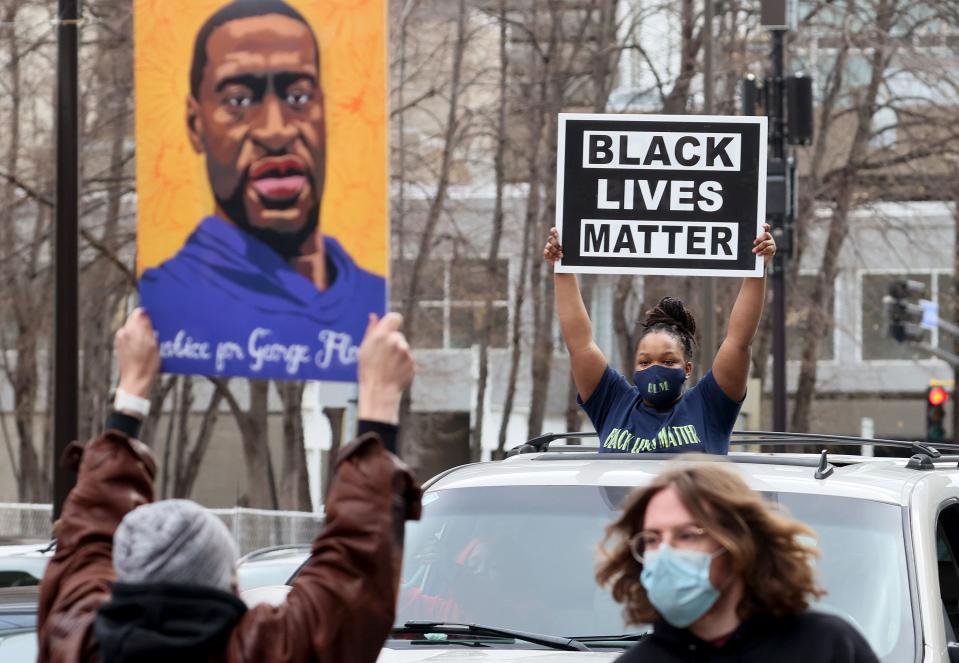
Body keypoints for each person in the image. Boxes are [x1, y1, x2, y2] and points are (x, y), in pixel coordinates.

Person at [37, 307, 420, 662]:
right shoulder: (261, 652)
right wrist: (379, 398)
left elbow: (86, 541)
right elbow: (350, 576)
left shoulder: (74, 642)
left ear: (123, 577)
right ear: (230, 585)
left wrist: (131, 392)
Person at [139, 0, 385, 381]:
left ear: (323, 110)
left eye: (299, 97)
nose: (276, 130)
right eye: (238, 100)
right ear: (195, 123)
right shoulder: (166, 302)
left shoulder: (372, 308)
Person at [595, 461, 879, 662]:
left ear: (738, 543)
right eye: (653, 539)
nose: (665, 553)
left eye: (688, 535)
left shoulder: (826, 646)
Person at [543, 223, 776, 454]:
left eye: (667, 361)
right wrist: (561, 266)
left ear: (687, 368)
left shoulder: (709, 405)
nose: (654, 369)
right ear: (634, 366)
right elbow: (580, 344)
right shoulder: (614, 402)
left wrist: (758, 267)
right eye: (645, 362)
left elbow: (738, 341)